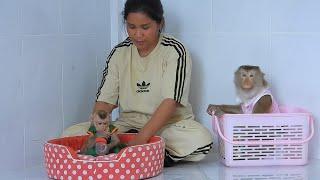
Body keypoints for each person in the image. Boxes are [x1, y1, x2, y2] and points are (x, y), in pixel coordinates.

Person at [62, 0, 213, 167]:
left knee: (200, 138)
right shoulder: (119, 53)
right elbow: (105, 101)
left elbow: (170, 103)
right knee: (70, 134)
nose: (138, 34)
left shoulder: (174, 50)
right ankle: (144, 154)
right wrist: (98, 133)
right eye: (131, 27)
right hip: (128, 126)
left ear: (160, 23)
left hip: (168, 126)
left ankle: (134, 152)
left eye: (145, 27)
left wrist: (140, 140)